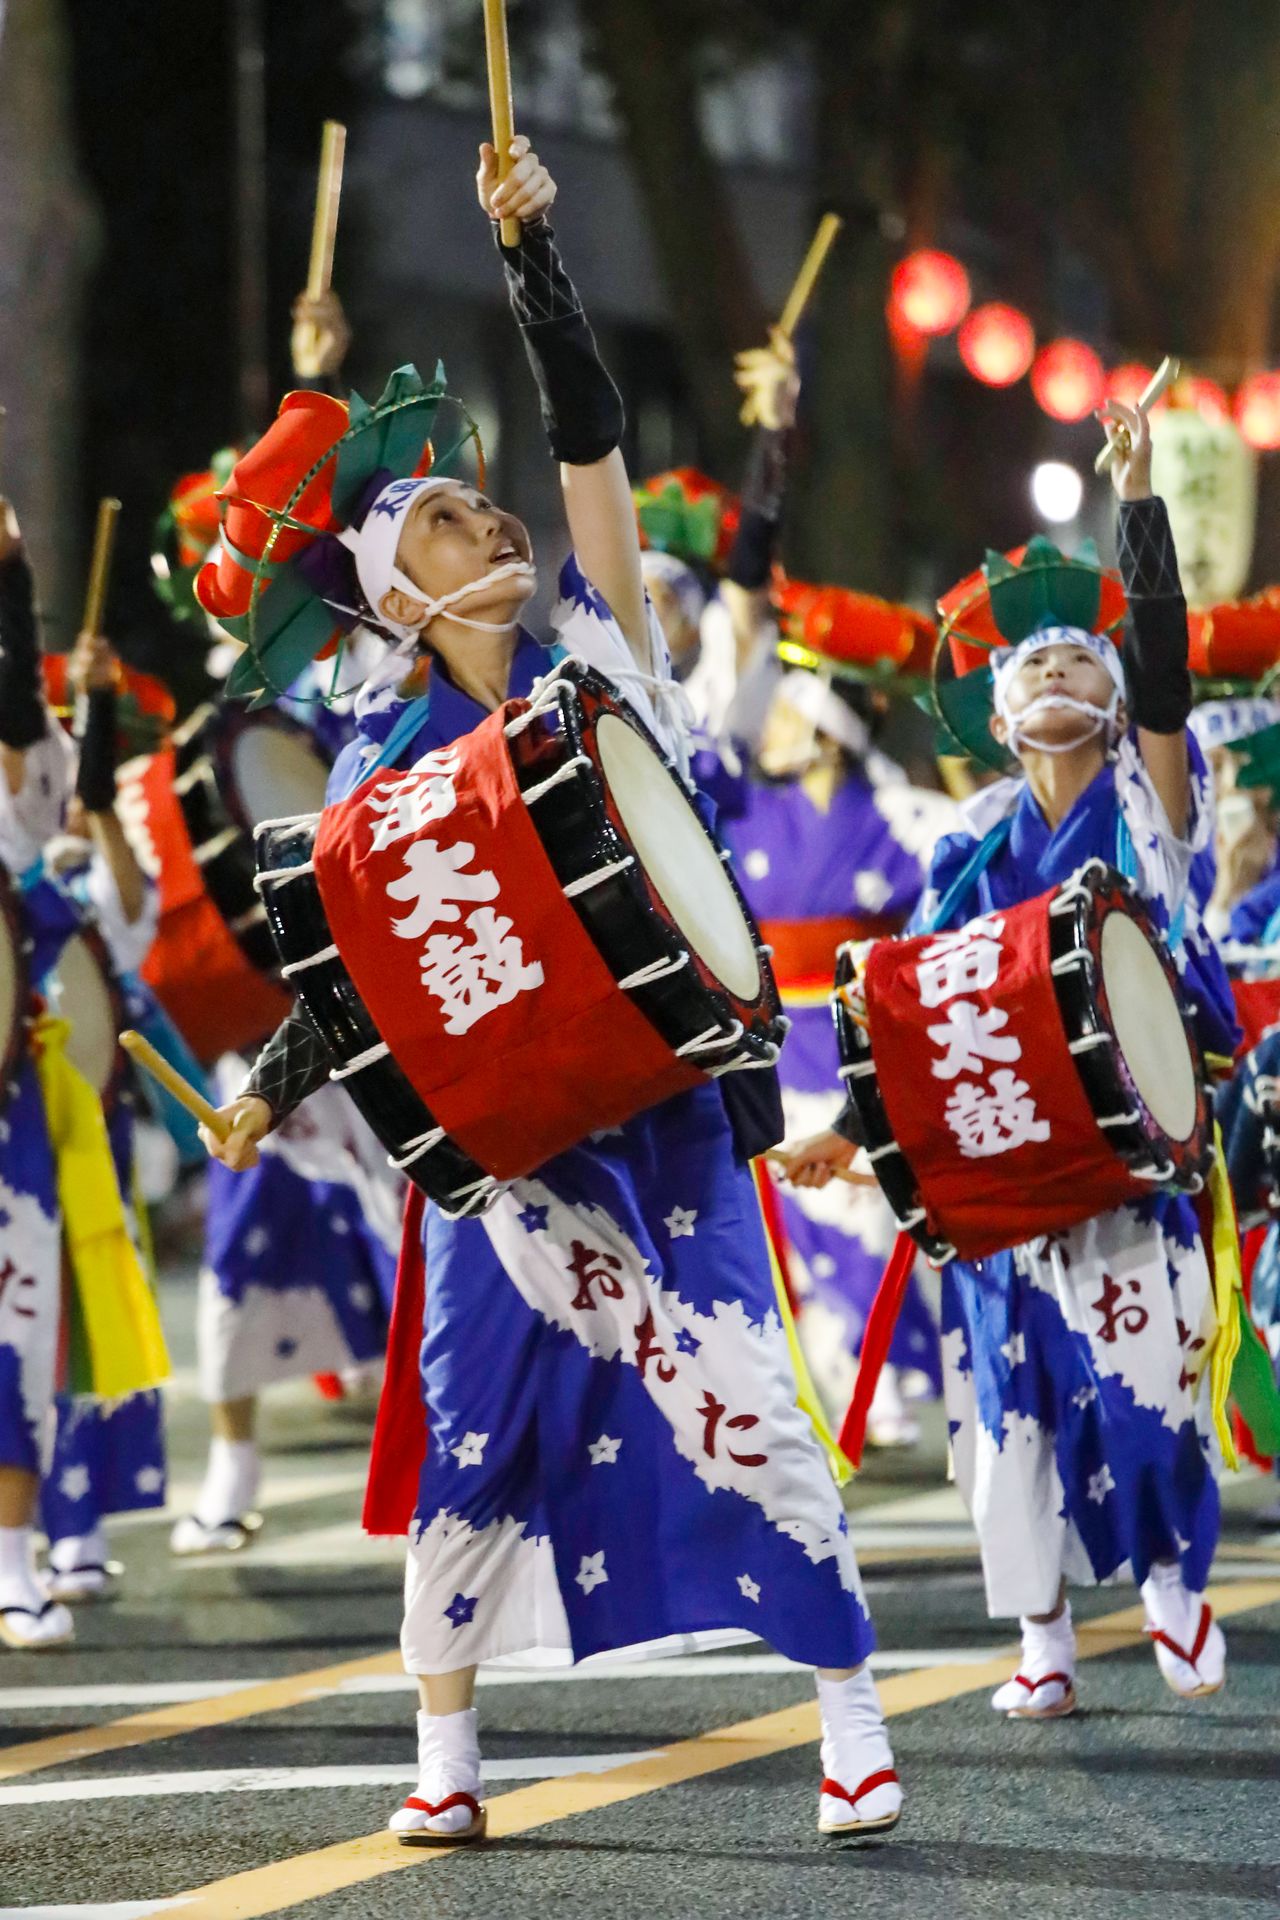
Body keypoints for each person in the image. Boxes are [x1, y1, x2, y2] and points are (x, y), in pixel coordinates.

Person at [198, 137, 903, 1844]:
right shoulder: (372, 760)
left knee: (744, 1400)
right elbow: (356, 963)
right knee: (472, 1435)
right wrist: (272, 1085)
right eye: (447, 514)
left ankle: (853, 1716)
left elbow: (589, 443)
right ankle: (444, 1763)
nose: (491, 513)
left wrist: (537, 265)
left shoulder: (607, 656)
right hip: (505, 1159)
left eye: (477, 498)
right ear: (398, 594)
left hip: (658, 1123)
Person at [781, 399, 1234, 1714]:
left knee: (1145, 1382)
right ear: (994, 704)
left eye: (1073, 661)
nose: (1051, 672)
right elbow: (917, 1016)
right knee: (1010, 1418)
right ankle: (1041, 1640)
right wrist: (856, 1135)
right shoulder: (964, 845)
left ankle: (1169, 1598)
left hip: (1128, 1152)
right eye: (1028, 664)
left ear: (1111, 702)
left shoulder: (1152, 799)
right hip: (999, 1160)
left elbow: (1162, 664)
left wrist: (1136, 495)